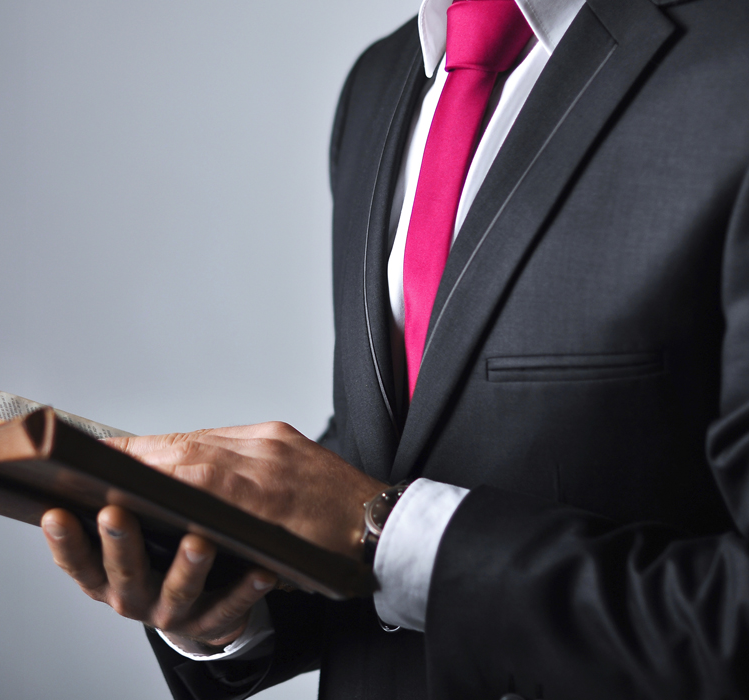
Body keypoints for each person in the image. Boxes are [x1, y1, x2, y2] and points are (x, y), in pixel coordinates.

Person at [38, 0, 749, 697]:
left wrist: (380, 532)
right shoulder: (378, 83)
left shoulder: (731, 62)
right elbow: (390, 448)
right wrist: (233, 591)